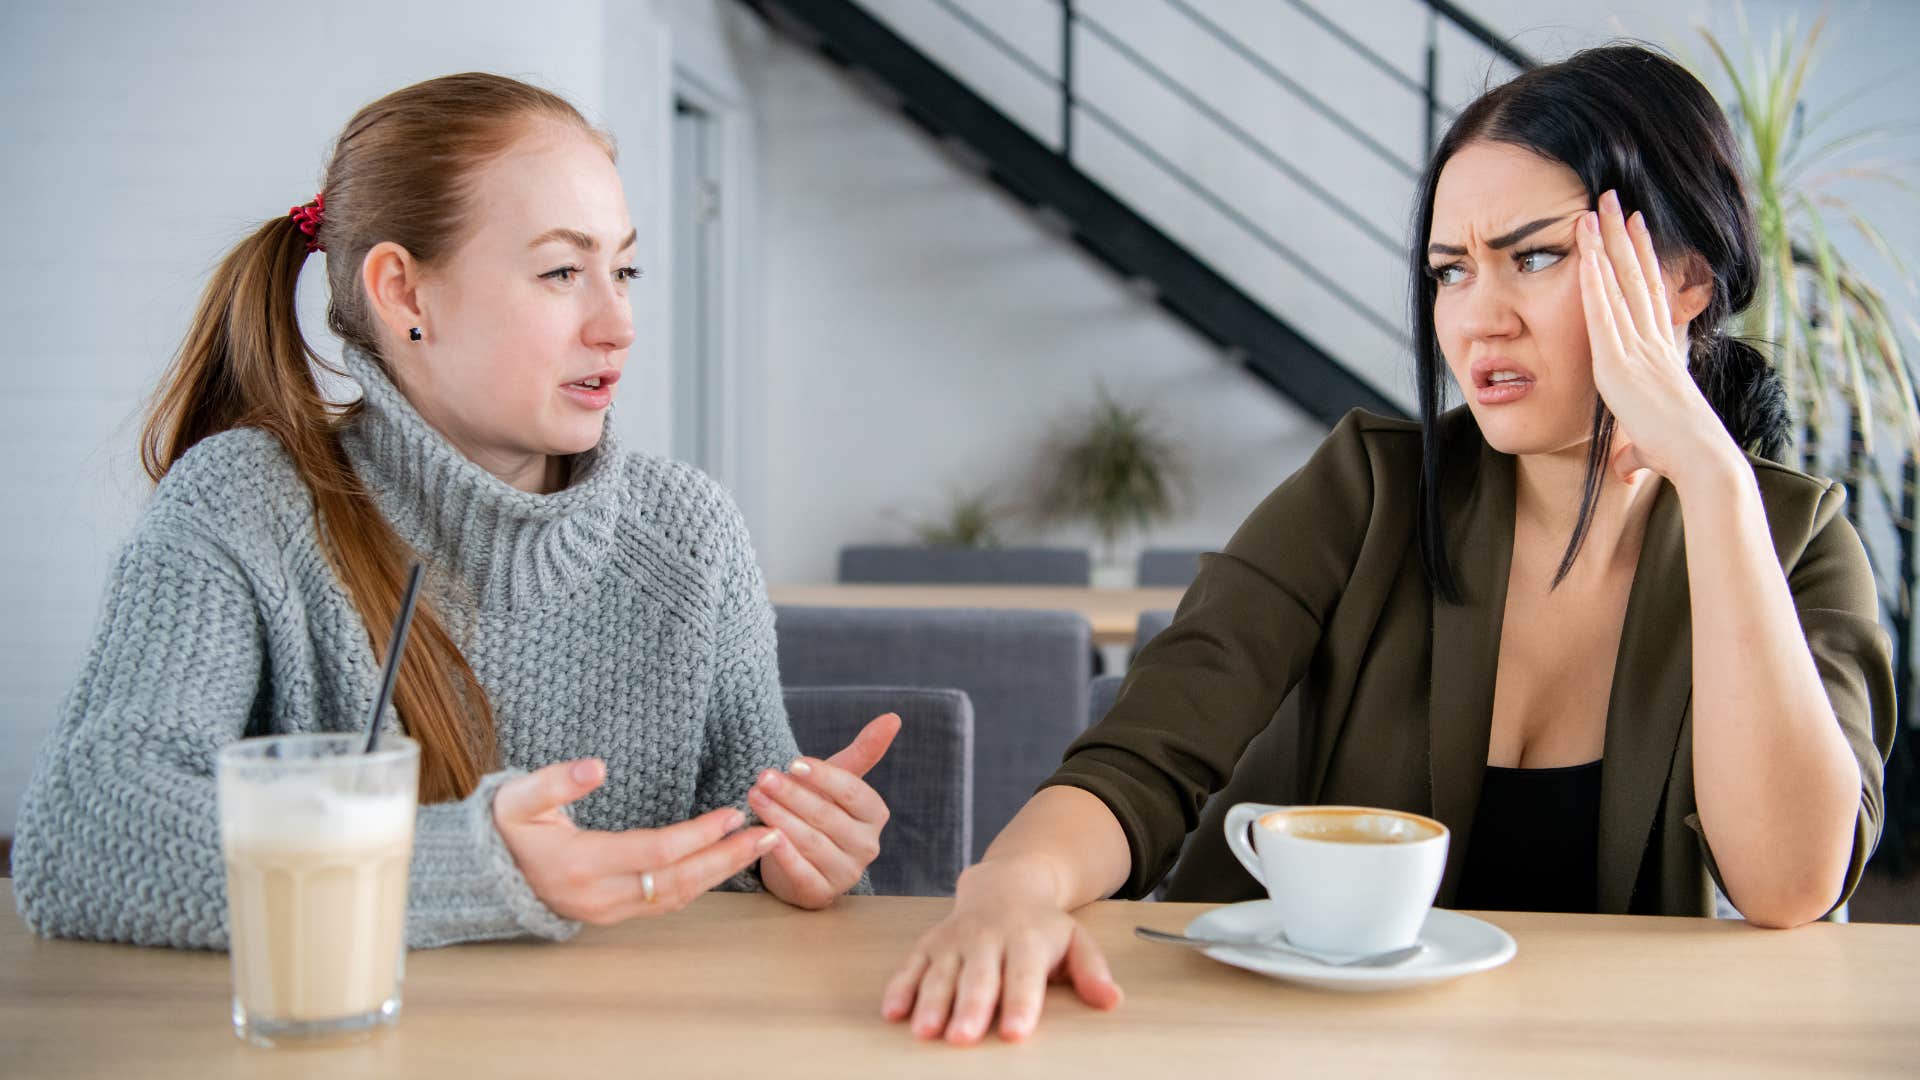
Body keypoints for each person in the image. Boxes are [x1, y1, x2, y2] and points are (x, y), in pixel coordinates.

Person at [882, 44, 1897, 1045]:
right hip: (1284, 1048)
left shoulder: (1796, 542)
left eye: (1533, 256)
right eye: (1451, 272)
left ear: (1684, 281)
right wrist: (1007, 889)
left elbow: (1790, 884)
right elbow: (1144, 760)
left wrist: (1714, 483)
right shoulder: (1365, 490)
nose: (1476, 319)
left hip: (1595, 1058)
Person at [13, 72, 898, 949]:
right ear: (403, 291)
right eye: (561, 270)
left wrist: (799, 856)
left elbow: (750, 832)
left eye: (622, 268)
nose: (618, 322)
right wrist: (469, 869)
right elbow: (81, 833)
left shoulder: (689, 533)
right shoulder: (245, 504)